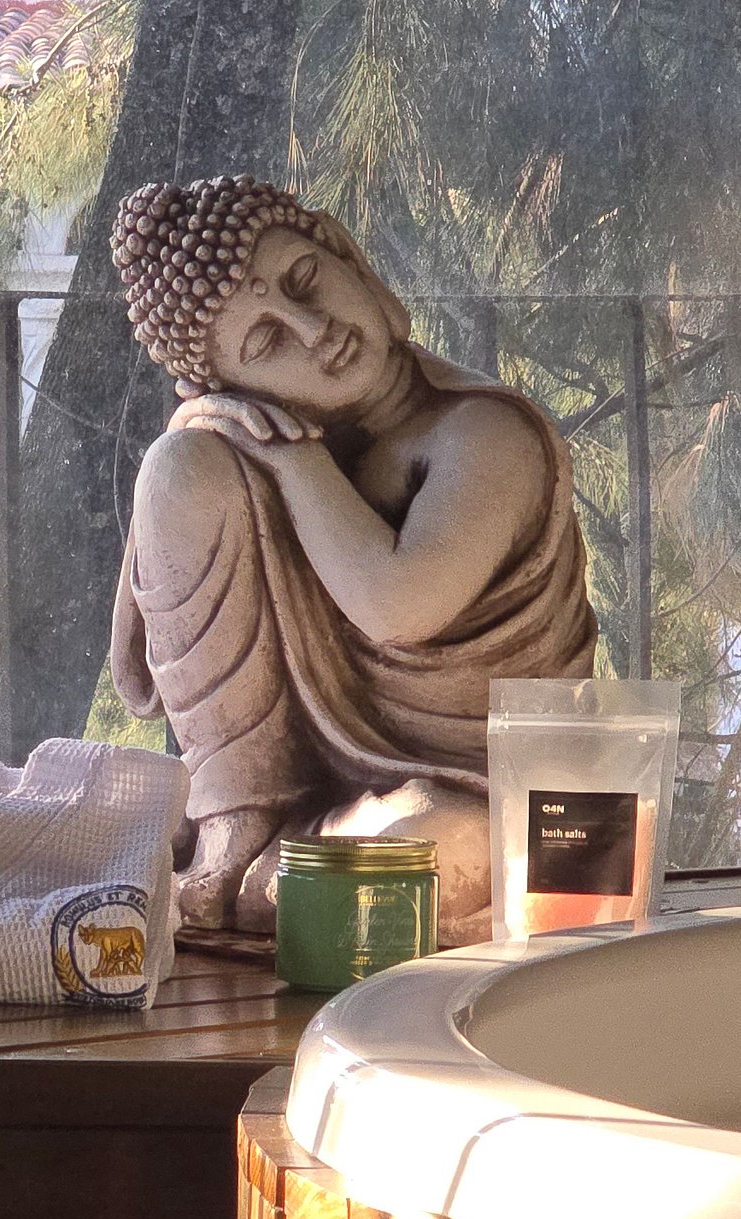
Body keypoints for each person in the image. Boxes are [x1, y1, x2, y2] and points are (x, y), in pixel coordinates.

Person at [107, 174, 596, 943]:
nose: (313, 331)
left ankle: (282, 869)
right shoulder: (277, 462)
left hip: (497, 797)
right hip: (330, 787)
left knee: (400, 860)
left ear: (345, 253)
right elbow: (137, 663)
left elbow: (395, 605)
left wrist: (291, 456)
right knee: (177, 467)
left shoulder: (484, 435)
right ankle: (237, 822)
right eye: (265, 342)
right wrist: (214, 434)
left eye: (306, 279)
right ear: (234, 385)